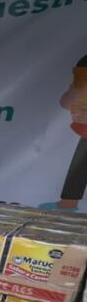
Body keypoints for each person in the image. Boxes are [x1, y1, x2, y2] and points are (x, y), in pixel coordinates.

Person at [41, 55, 87, 211]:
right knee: (79, 167)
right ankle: (68, 203)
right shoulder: (78, 88)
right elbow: (65, 103)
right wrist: (75, 91)